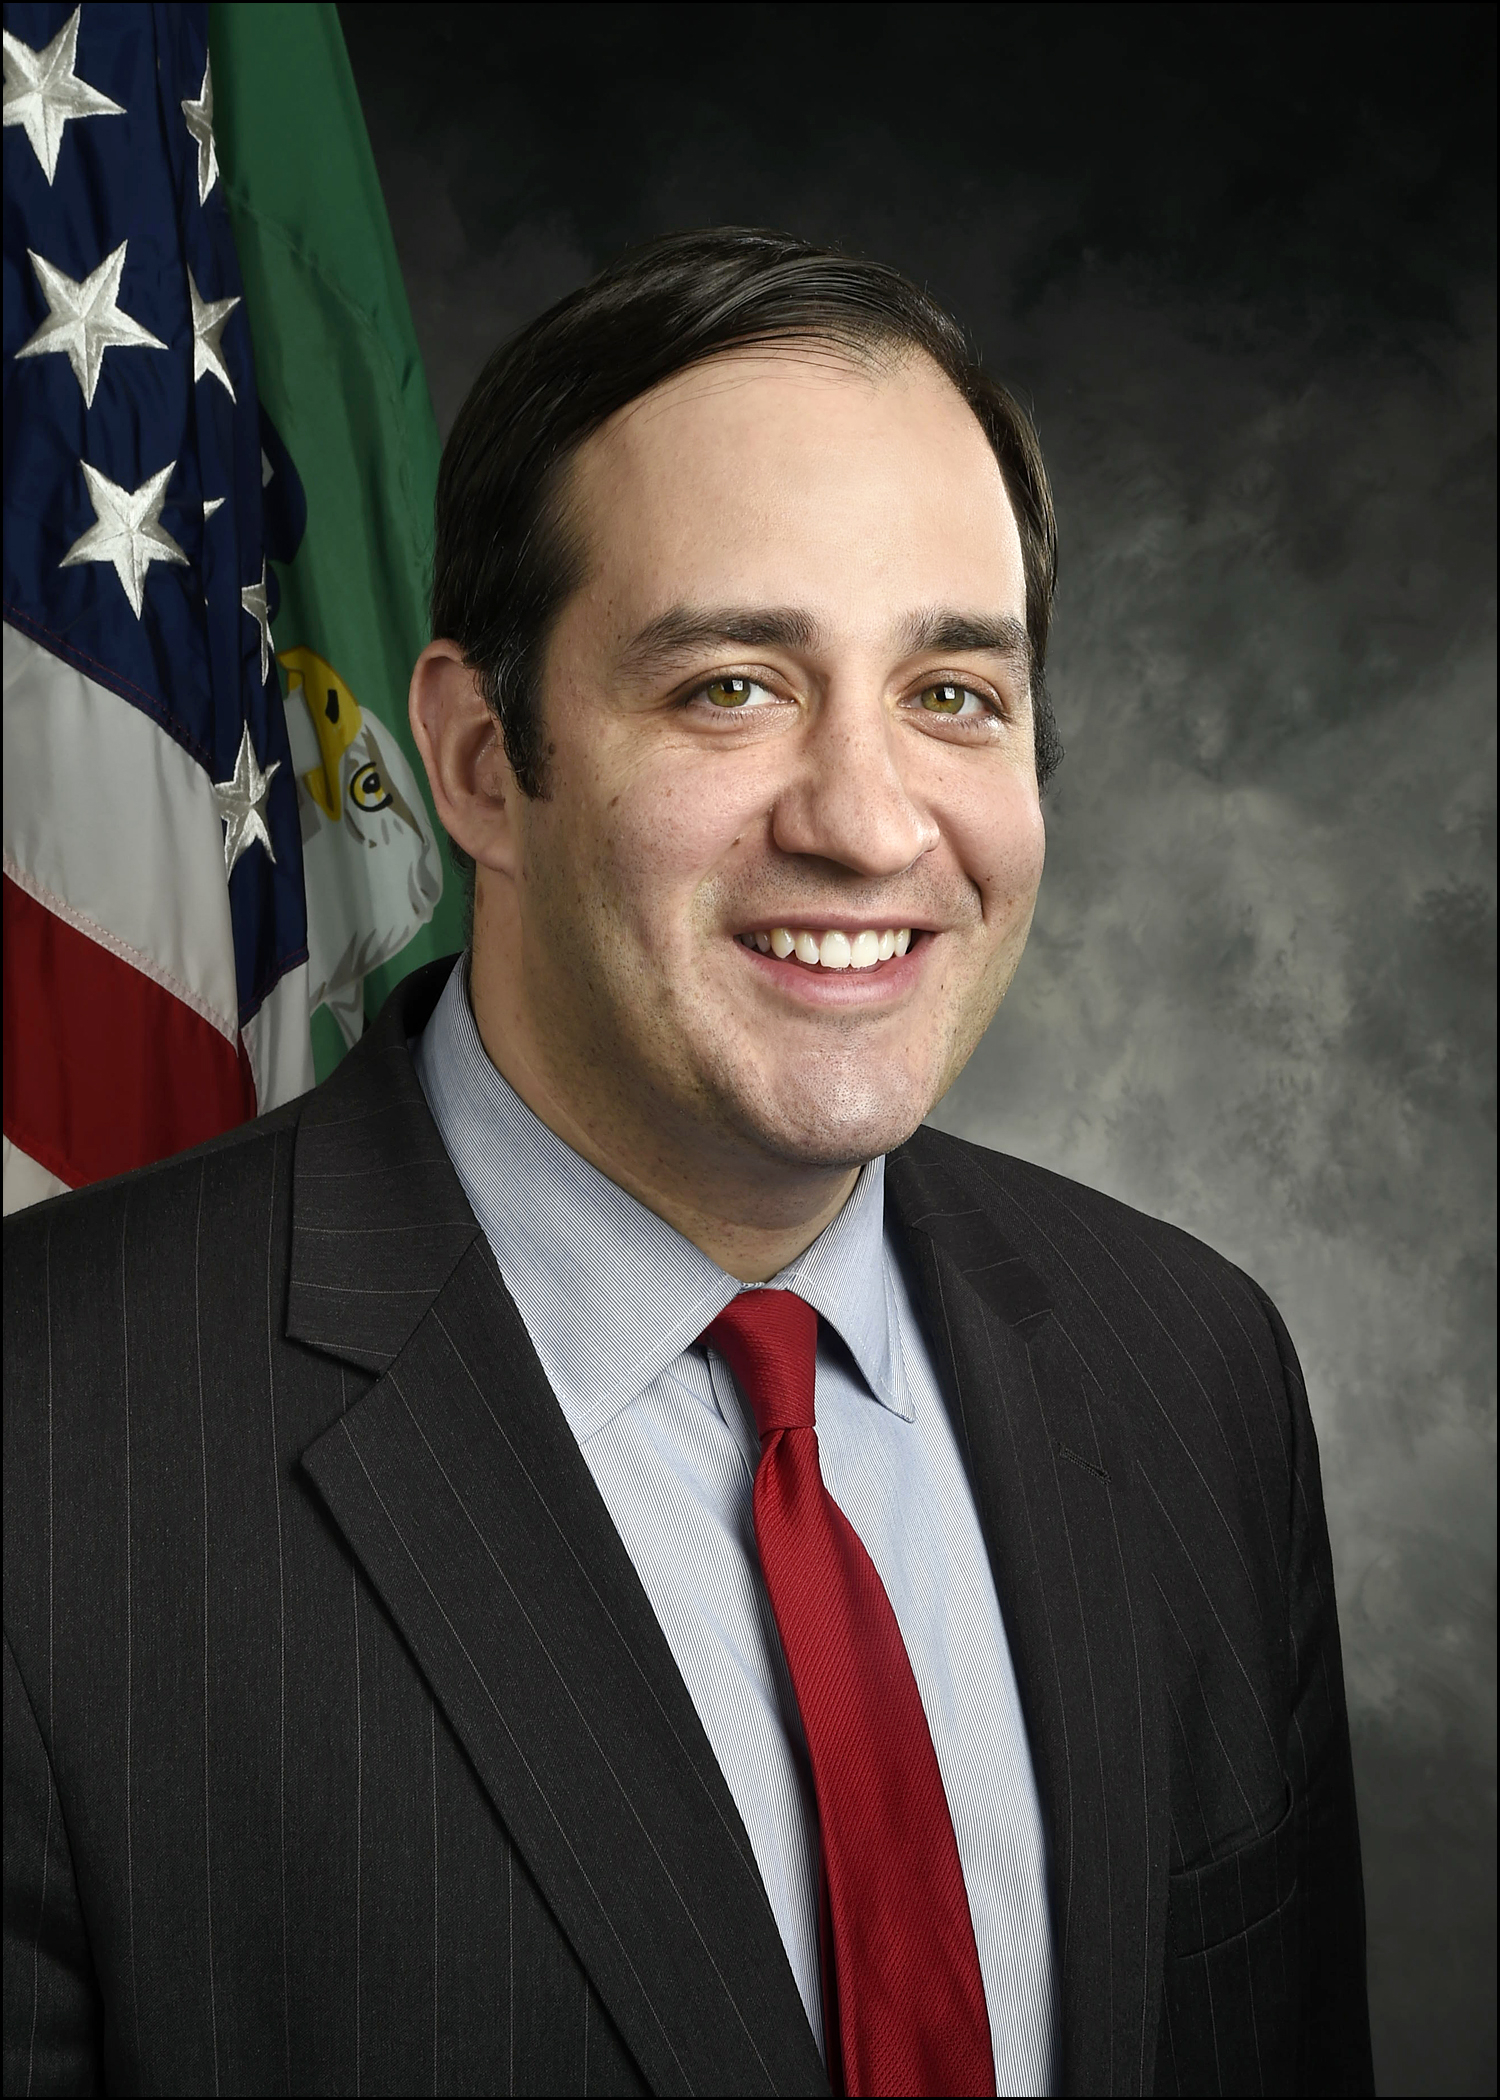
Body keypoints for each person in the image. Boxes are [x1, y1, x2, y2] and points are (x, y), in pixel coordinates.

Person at [3, 229, 1372, 2099]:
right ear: (479, 760)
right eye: (732, 685)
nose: (869, 824)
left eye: (952, 694)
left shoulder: (1194, 1373)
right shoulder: (49, 1452)